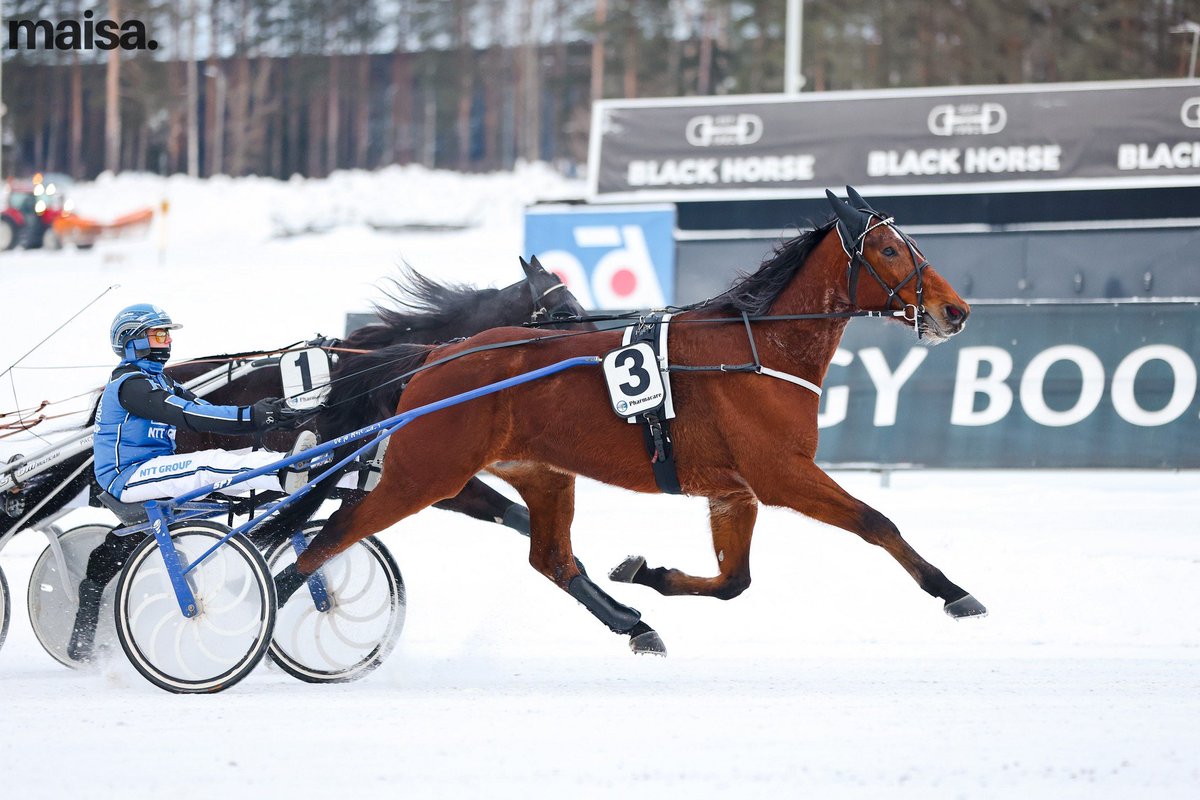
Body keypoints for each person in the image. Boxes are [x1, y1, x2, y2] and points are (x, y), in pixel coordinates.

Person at [68, 303, 317, 662]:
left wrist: (272, 415)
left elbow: (206, 410)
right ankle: (284, 472)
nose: (166, 341)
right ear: (132, 340)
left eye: (167, 333)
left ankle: (319, 467)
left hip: (154, 471)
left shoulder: (162, 380)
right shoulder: (131, 385)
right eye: (158, 334)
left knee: (228, 464)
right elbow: (188, 416)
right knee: (207, 465)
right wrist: (253, 415)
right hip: (128, 477)